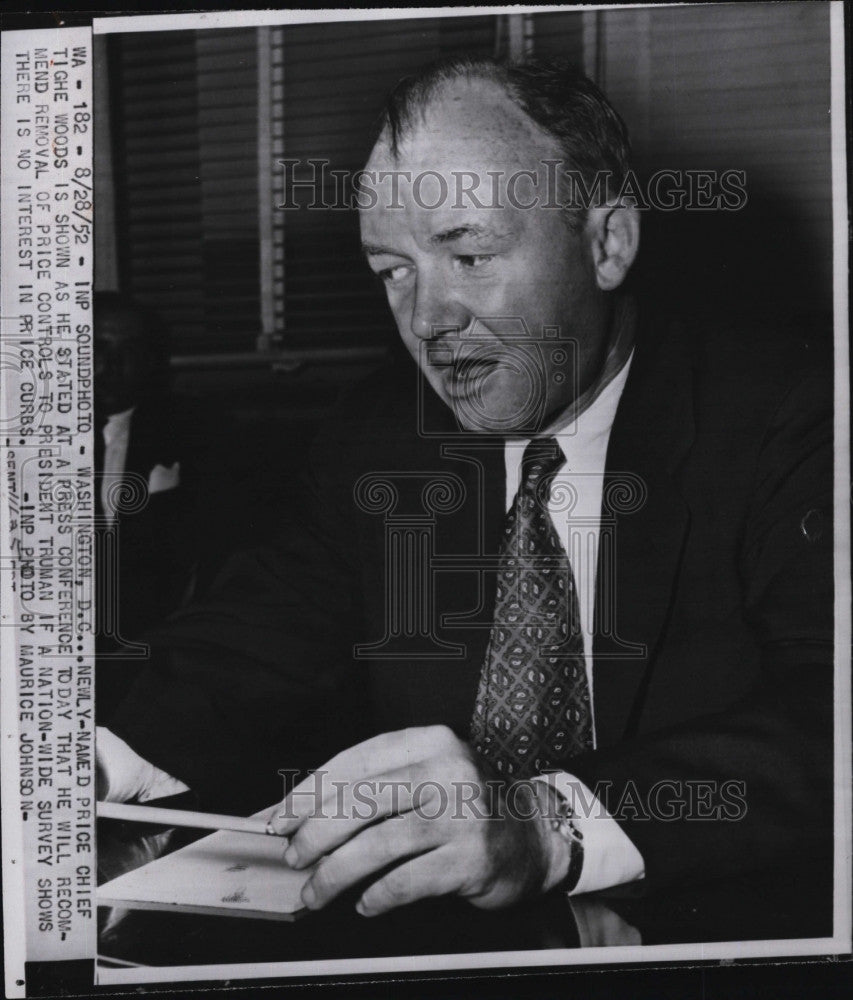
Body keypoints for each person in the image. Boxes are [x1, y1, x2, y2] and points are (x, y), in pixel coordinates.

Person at [97, 58, 833, 922]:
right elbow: (250, 640)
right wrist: (81, 766)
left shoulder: (794, 412)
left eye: (470, 253)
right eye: (392, 270)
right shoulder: (381, 435)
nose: (427, 319)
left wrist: (551, 822)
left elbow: (834, 708)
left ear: (606, 244)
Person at [93, 292, 203, 717]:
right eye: (98, 348)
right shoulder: (33, 437)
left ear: (153, 360)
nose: (111, 366)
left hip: (154, 647)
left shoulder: (193, 431)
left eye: (130, 351)